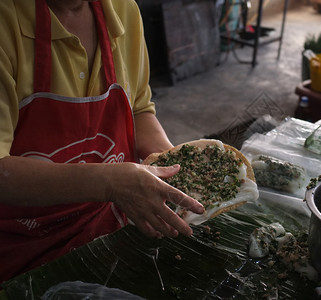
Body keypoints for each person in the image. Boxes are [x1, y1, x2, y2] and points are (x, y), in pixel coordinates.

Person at [0, 0, 204, 283]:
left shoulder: (122, 11)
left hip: (110, 223)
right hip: (24, 244)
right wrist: (110, 182)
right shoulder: (7, 22)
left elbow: (139, 109)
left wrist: (171, 166)